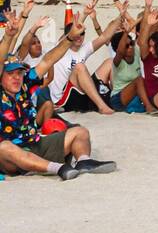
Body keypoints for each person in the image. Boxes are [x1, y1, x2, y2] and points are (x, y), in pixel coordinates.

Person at [0, 28, 117, 180]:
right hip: (11, 157)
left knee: (80, 132)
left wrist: (69, 38)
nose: (16, 78)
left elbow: (48, 60)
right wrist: (9, 37)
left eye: (19, 73)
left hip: (34, 143)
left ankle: (83, 161)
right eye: (10, 74)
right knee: (4, 148)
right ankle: (58, 168)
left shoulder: (25, 85)